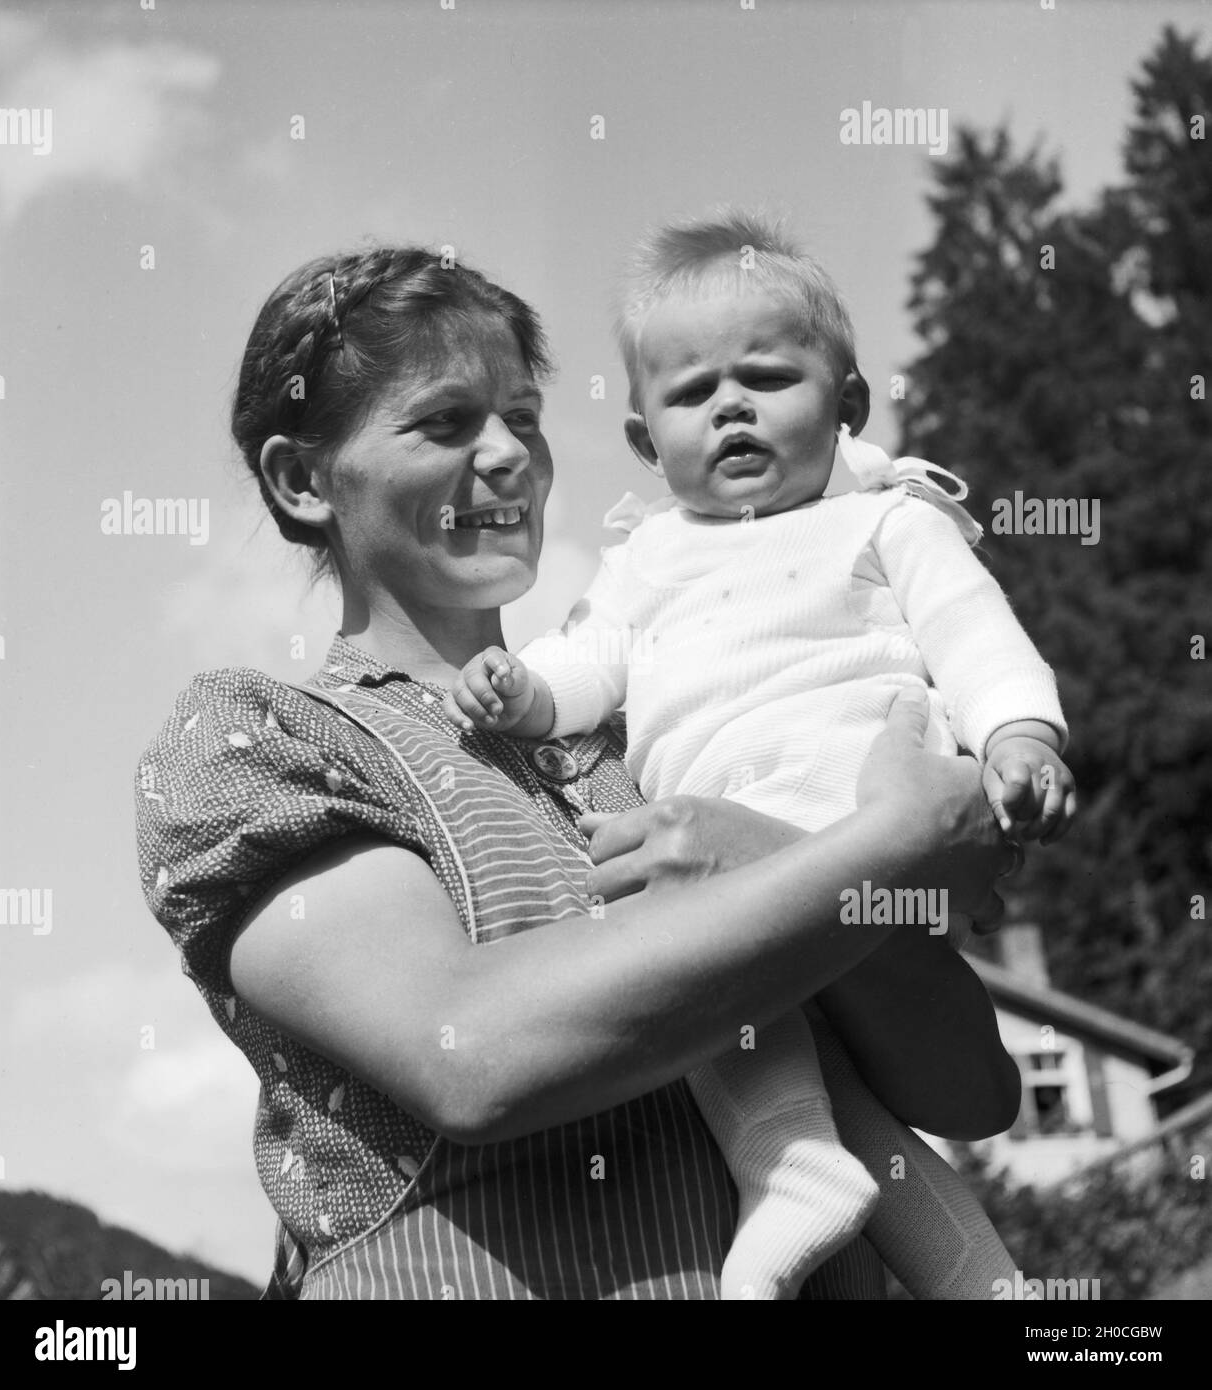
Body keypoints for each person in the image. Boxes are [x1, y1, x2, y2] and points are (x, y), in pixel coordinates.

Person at [135, 243, 1022, 1301]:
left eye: (524, 415)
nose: (509, 454)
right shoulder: (265, 740)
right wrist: (878, 849)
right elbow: (471, 1058)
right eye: (446, 421)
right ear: (302, 479)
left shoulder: (663, 738)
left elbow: (968, 1086)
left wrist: (773, 855)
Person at [444, 211, 1076, 1299]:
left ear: (848, 405)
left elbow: (976, 637)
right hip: (741, 883)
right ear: (647, 441)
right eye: (692, 394)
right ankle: (979, 1280)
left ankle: (785, 1164)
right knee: (860, 1121)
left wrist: (1019, 733)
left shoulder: (886, 522)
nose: (730, 405)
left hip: (850, 834)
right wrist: (526, 690)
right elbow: (588, 661)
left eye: (768, 377)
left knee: (689, 954)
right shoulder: (647, 558)